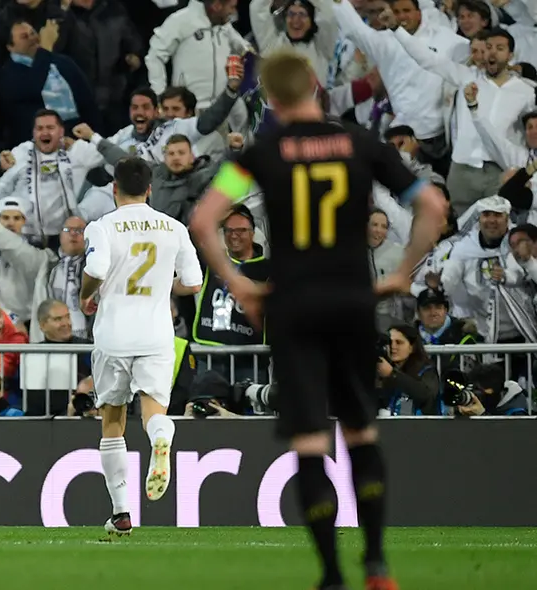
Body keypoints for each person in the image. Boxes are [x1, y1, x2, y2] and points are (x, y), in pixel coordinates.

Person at [189, 50, 447, 590]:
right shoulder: (360, 144)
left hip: (294, 305)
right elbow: (432, 207)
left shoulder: (262, 153)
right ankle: (376, 563)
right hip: (353, 301)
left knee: (309, 440)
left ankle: (331, 575)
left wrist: (240, 285)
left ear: (272, 100)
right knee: (360, 431)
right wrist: (402, 271)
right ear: (314, 86)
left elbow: (204, 217)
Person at [79, 156, 203, 536]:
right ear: (150, 189)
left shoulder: (102, 227)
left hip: (114, 333)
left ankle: (121, 513)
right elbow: (194, 282)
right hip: (156, 333)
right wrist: (161, 285)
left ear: (114, 189)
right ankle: (161, 436)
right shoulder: (174, 227)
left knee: (112, 423)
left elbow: (96, 271)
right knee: (153, 411)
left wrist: (88, 297)